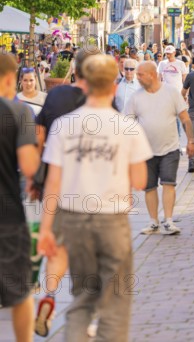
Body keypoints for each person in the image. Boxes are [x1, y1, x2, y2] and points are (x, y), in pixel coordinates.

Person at [37, 55, 151, 342]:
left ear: (83, 84)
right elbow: (140, 181)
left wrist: (47, 229)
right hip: (112, 220)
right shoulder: (127, 128)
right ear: (114, 86)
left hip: (74, 220)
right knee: (115, 300)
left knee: (82, 297)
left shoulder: (63, 126)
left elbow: (53, 182)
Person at [33, 48, 103, 337]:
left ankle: (49, 295)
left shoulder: (56, 95)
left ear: (75, 68)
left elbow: (39, 135)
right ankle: (84, 315)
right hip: (89, 186)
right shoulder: (102, 101)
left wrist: (37, 173)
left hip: (57, 182)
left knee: (58, 249)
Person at [126, 62, 194, 235]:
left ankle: (169, 220)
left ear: (151, 74)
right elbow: (127, 124)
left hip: (170, 149)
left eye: (140, 74)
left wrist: (191, 141)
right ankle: (153, 221)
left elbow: (185, 119)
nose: (137, 77)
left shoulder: (171, 92)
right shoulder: (136, 97)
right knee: (149, 187)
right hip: (145, 151)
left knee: (168, 183)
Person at [0, 53, 39, 342]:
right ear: (11, 78)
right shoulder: (20, 113)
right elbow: (28, 166)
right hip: (7, 217)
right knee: (19, 290)